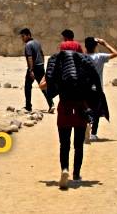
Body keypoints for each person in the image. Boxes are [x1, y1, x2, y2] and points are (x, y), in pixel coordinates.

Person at [45, 50, 104, 189]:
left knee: (64, 144)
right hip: (80, 108)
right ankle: (76, 174)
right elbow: (93, 86)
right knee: (78, 145)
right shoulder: (83, 67)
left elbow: (48, 84)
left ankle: (64, 169)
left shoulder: (59, 65)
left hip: (64, 108)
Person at [84, 37, 117, 141]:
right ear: (95, 46)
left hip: (85, 89)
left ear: (86, 46)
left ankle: (85, 127)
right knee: (96, 111)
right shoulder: (100, 57)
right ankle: (93, 134)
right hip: (97, 89)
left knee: (86, 109)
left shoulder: (83, 57)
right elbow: (116, 53)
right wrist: (105, 43)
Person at [20, 28, 54, 113]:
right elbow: (42, 54)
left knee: (28, 86)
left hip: (33, 68)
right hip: (40, 67)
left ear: (28, 35)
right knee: (43, 86)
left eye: (23, 36)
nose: (22, 38)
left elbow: (30, 58)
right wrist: (42, 64)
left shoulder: (28, 45)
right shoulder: (37, 42)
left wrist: (31, 70)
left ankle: (28, 107)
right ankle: (51, 104)